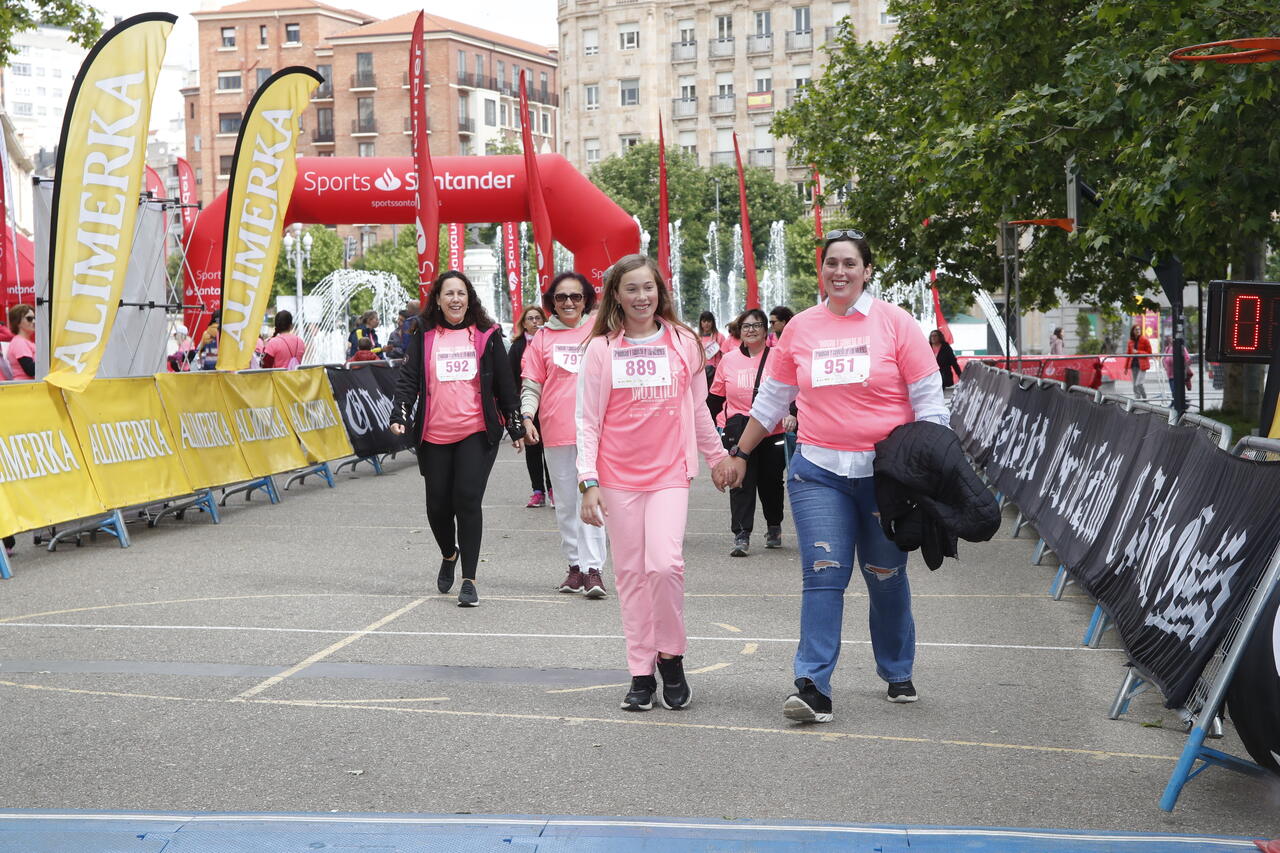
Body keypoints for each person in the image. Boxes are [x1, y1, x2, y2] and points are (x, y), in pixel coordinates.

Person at [713, 228, 949, 721]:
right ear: (821, 270)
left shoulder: (896, 324)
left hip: (887, 477)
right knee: (823, 575)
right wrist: (738, 452)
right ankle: (811, 684)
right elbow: (773, 399)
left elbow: (930, 402)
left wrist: (930, 469)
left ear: (866, 271)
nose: (839, 272)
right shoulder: (800, 328)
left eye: (850, 264)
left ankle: (896, 667)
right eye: (831, 263)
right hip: (818, 471)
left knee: (885, 576)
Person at [578, 255, 728, 712]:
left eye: (648, 288)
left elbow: (699, 408)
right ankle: (641, 673)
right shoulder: (602, 349)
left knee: (664, 566)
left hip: (669, 476)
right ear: (616, 297)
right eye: (631, 289)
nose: (641, 297)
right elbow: (586, 421)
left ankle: (671, 658)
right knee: (630, 576)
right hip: (618, 479)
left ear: (660, 292)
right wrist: (588, 481)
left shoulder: (683, 342)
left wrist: (719, 456)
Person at [390, 271, 525, 607]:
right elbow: (408, 380)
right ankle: (449, 553)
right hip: (434, 434)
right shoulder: (424, 336)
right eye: (448, 293)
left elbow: (505, 384)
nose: (455, 299)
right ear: (437, 299)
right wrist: (400, 412)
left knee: (467, 499)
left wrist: (516, 422)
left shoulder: (486, 334)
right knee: (437, 504)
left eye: (461, 293)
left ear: (469, 298)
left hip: (475, 433)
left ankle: (469, 579)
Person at [520, 271, 609, 598]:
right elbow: (532, 383)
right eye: (561, 297)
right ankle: (574, 567)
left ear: (586, 299)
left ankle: (593, 569)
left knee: (592, 501)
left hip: (597, 434)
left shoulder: (601, 331)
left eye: (575, 296)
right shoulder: (542, 338)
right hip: (557, 432)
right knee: (567, 505)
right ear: (551, 303)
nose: (569, 303)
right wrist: (527, 416)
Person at [708, 308, 785, 557]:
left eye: (757, 325)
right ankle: (741, 534)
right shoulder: (728, 360)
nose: (751, 330)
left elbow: (792, 391)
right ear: (739, 331)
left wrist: (793, 413)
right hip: (738, 431)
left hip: (772, 431)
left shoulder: (778, 357)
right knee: (739, 481)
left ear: (766, 330)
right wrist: (712, 427)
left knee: (771, 483)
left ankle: (774, 525)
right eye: (746, 326)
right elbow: (716, 398)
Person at [508, 305, 551, 508]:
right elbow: (510, 378)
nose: (535, 322)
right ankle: (537, 491)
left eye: (538, 318)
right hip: (526, 405)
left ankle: (553, 489)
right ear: (523, 323)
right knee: (533, 449)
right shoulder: (517, 347)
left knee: (550, 448)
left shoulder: (551, 341)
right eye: (530, 319)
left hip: (550, 405)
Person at [6, 304, 35, 380]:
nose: (34, 321)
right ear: (18, 322)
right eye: (29, 318)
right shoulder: (19, 343)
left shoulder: (23, 342)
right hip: (26, 387)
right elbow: (30, 370)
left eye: (35, 318)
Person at [929, 329, 963, 395]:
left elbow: (954, 362)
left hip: (945, 376)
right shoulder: (928, 347)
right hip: (932, 377)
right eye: (932, 336)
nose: (933, 337)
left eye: (935, 335)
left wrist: (960, 376)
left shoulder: (946, 347)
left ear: (940, 337)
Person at [1163, 335, 1193, 400]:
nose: (1171, 340)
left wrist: (1184, 366)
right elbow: (1164, 359)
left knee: (1177, 391)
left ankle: (1179, 404)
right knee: (1173, 391)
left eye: (1172, 338)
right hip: (1170, 374)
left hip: (1179, 374)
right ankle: (1175, 403)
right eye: (1169, 339)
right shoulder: (1167, 348)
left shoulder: (1181, 348)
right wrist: (1165, 366)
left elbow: (1188, 359)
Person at [1127, 323, 1152, 400]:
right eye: (1136, 329)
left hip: (1142, 365)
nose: (1138, 331)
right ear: (1133, 331)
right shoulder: (1130, 341)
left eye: (1139, 329)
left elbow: (1149, 353)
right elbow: (1128, 355)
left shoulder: (1145, 340)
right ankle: (1137, 400)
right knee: (1134, 385)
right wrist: (1125, 367)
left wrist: (1138, 352)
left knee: (1139, 383)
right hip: (1133, 365)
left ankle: (1144, 397)